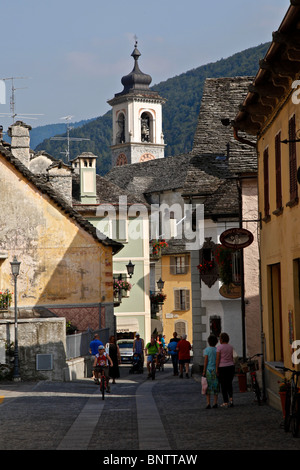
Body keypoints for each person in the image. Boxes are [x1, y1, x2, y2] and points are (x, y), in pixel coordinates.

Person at [216, 332, 235, 408]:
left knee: (223, 385)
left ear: (221, 339)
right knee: (229, 384)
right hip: (230, 366)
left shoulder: (219, 348)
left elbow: (218, 359)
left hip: (222, 367)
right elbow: (232, 357)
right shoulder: (230, 347)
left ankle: (225, 401)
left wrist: (216, 369)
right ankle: (231, 400)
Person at [203, 334, 219, 409]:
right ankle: (215, 402)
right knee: (215, 386)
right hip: (215, 370)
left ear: (209, 342)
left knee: (207, 387)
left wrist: (204, 370)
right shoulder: (217, 350)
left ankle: (208, 403)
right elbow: (218, 360)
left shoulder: (207, 350)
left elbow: (206, 361)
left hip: (208, 370)